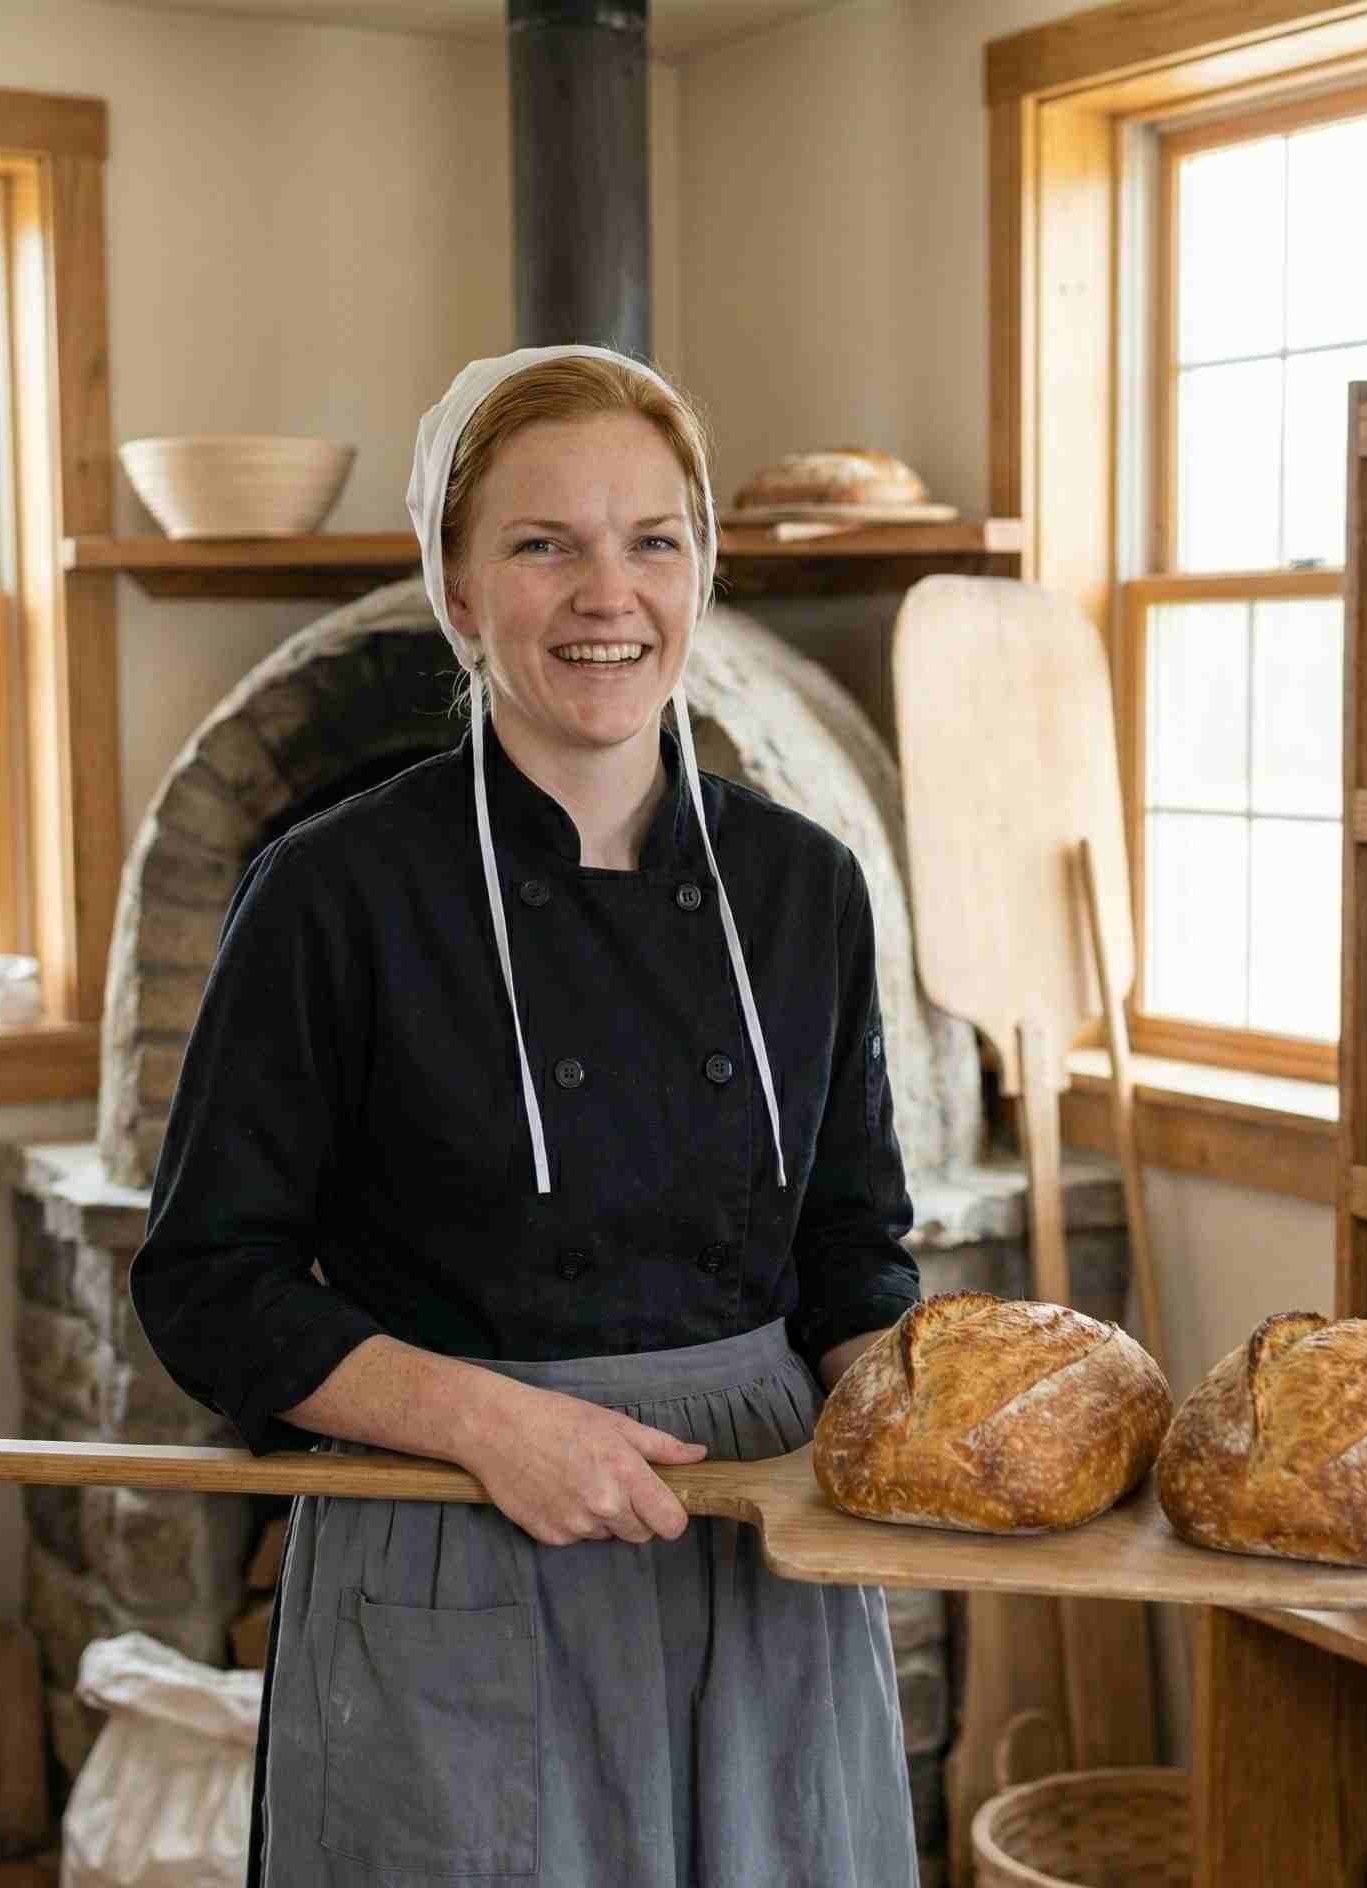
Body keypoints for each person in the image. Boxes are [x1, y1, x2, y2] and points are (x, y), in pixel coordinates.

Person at [130, 343, 923, 1886]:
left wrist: (921, 1418)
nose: (604, 595)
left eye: (652, 541)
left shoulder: (803, 886)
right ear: (454, 589)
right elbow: (206, 1284)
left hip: (759, 1552)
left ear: (703, 570)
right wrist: (487, 1425)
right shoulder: (334, 891)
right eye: (541, 543)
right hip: (457, 1544)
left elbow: (854, 1241)